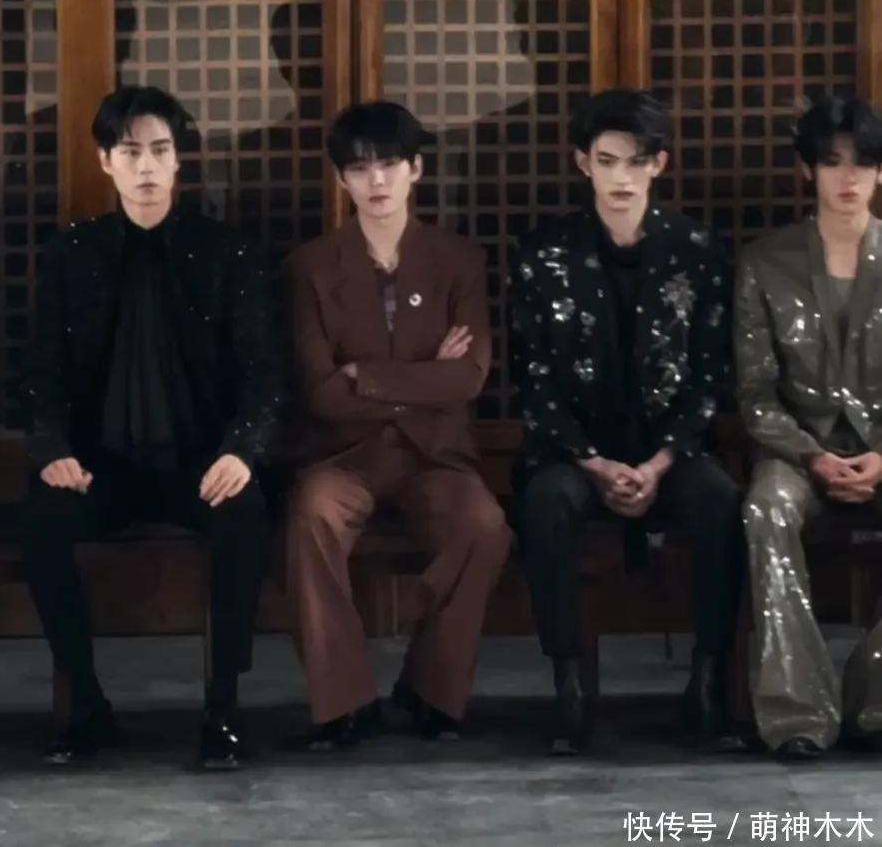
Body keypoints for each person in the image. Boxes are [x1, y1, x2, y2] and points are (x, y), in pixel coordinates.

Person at [21, 85, 279, 770]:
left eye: (160, 151)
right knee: (41, 523)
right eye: (130, 151)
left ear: (178, 160)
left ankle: (221, 710)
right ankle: (85, 706)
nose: (146, 167)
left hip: (199, 462)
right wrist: (51, 450)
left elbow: (263, 371)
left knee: (243, 513)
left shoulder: (225, 251)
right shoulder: (72, 254)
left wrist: (242, 450)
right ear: (105, 161)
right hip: (100, 465)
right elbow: (41, 372)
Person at [508, 89, 742, 754]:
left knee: (718, 499)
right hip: (575, 451)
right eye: (607, 161)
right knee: (547, 501)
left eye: (636, 162)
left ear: (658, 164)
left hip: (670, 450)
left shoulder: (695, 248)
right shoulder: (543, 252)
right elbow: (532, 379)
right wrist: (594, 462)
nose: (621, 178)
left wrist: (659, 462)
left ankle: (708, 676)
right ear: (582, 162)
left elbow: (708, 374)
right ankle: (569, 682)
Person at [282, 100, 511, 750]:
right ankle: (343, 701)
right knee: (310, 518)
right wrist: (421, 377)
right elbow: (320, 392)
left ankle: (430, 690)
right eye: (359, 169)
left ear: (416, 169)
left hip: (433, 455)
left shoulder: (457, 260)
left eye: (389, 164)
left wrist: (365, 374)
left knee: (484, 526)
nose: (376, 180)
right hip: (342, 455)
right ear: (341, 180)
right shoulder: (309, 267)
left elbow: (467, 376)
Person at [736, 95, 882, 759]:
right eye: (831, 162)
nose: (847, 178)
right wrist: (811, 455)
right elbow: (755, 392)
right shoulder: (766, 262)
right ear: (807, 170)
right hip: (795, 452)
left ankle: (875, 696)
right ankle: (797, 712)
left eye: (862, 163)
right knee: (765, 507)